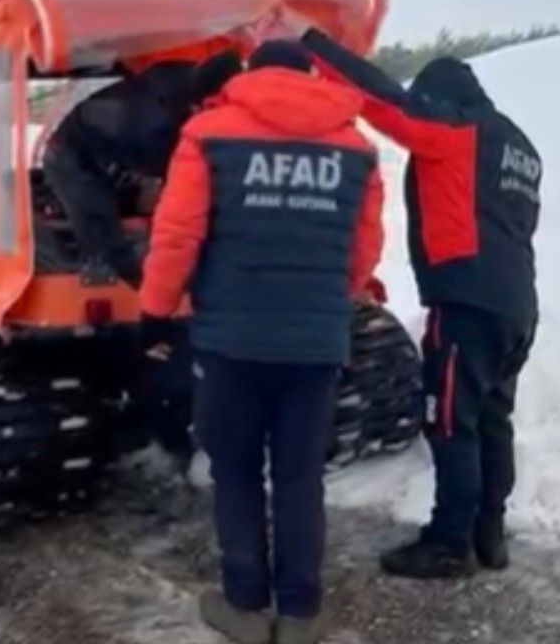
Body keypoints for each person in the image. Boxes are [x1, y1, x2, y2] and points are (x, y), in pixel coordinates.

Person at [139, 41, 385, 644]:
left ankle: (246, 607)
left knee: (237, 471)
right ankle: (300, 614)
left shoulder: (208, 133)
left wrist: (156, 309)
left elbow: (177, 234)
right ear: (312, 77)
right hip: (315, 345)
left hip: (230, 341)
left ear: (253, 75)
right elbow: (365, 249)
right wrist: (328, 299)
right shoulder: (356, 148)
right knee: (300, 477)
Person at [301, 29, 542, 580]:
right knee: (492, 420)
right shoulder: (520, 148)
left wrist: (315, 45)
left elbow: (385, 100)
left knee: (451, 422)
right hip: (516, 307)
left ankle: (448, 544)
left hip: (467, 304)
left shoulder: (457, 130)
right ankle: (488, 533)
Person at [42, 52, 243, 287]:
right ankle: (133, 286)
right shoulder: (152, 127)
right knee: (102, 234)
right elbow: (177, 193)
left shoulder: (198, 81)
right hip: (71, 153)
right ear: (196, 106)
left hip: (115, 144)